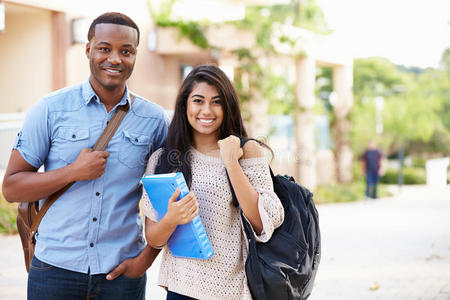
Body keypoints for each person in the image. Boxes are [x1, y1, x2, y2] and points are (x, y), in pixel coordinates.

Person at [1, 12, 167, 299]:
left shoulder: (154, 120)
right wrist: (72, 172)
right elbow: (12, 186)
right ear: (88, 49)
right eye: (105, 48)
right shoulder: (50, 109)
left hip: (121, 275)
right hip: (54, 270)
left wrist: (145, 260)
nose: (115, 59)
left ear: (135, 56)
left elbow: (167, 200)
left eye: (126, 51)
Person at [141, 64, 285, 300]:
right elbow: (154, 239)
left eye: (216, 102)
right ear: (185, 104)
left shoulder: (246, 150)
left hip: (231, 291)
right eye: (198, 100)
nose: (206, 110)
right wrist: (172, 219)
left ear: (227, 106)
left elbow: (263, 222)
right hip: (181, 290)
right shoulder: (163, 159)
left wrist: (231, 163)